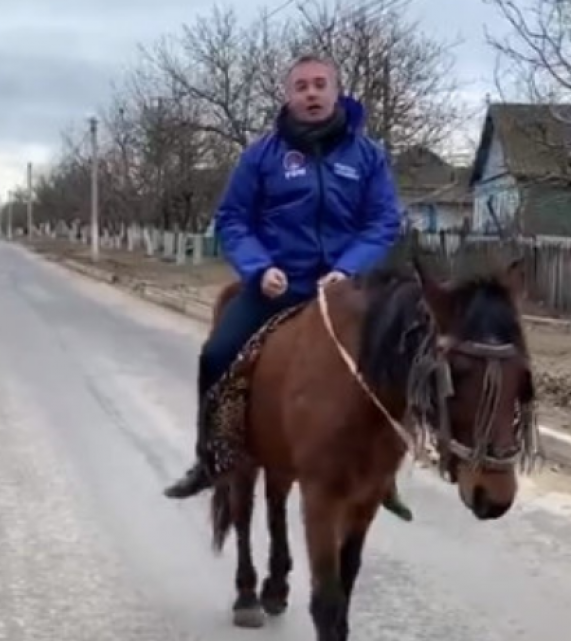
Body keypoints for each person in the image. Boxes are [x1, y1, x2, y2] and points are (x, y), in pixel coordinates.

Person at [163, 54, 412, 521]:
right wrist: (259, 268)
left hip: (346, 287)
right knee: (216, 353)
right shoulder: (261, 155)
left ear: (337, 91)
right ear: (288, 95)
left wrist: (348, 268)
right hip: (279, 284)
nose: (312, 93)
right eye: (302, 86)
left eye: (321, 84)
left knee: (401, 354)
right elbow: (232, 220)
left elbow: (383, 221)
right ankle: (210, 455)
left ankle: (385, 471)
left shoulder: (368, 156)